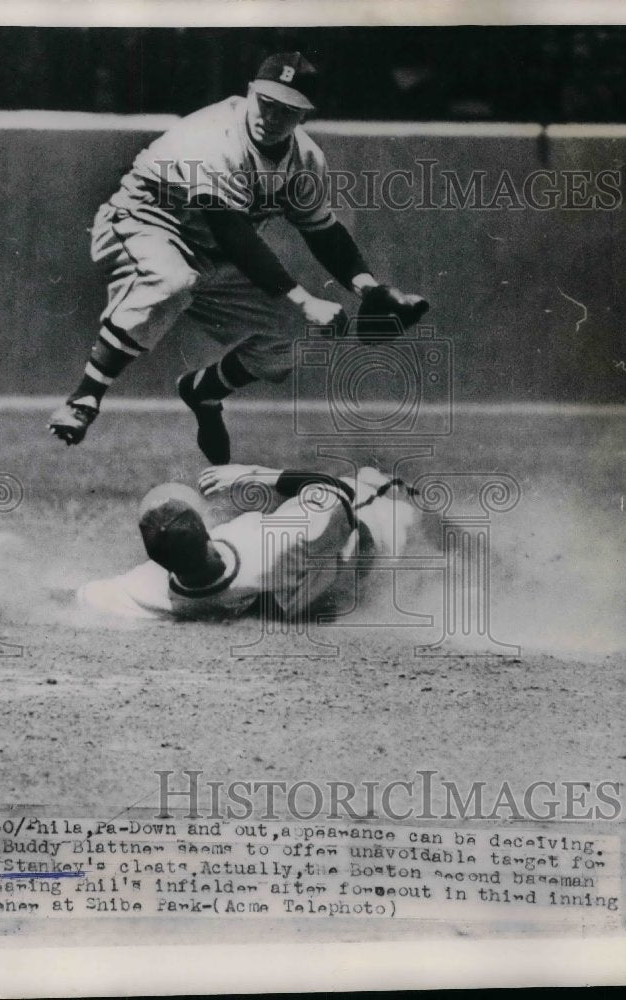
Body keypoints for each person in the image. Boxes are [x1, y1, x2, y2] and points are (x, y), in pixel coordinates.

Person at [49, 52, 428, 462]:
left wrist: (366, 286)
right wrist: (304, 298)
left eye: (288, 110)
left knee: (294, 334)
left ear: (305, 116)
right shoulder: (214, 136)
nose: (272, 116)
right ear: (250, 92)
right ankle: (83, 398)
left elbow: (323, 232)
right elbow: (231, 231)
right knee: (172, 280)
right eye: (266, 102)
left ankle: (204, 392)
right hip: (147, 219)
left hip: (212, 254)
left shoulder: (305, 160)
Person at [77, 464, 417, 621]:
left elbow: (90, 594)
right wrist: (253, 473)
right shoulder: (273, 549)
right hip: (375, 540)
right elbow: (337, 492)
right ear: (207, 532)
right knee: (382, 489)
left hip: (323, 583)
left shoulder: (152, 589)